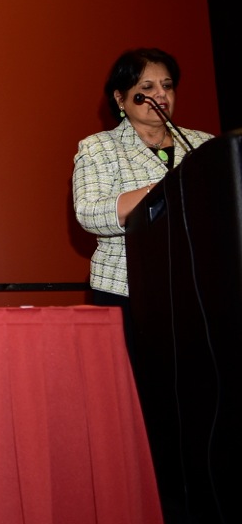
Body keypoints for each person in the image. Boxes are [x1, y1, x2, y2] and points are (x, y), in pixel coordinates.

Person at [72, 48, 213, 359]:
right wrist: (164, 189)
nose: (160, 94)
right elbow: (90, 213)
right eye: (147, 88)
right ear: (121, 99)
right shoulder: (99, 147)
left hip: (198, 288)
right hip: (126, 288)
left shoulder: (204, 144)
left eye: (167, 85)